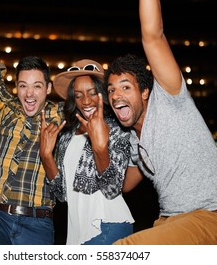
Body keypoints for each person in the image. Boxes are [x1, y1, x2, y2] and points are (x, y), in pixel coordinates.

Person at [105, 0, 217, 245]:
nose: (115, 95)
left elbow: (153, 35)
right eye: (111, 90)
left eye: (125, 87)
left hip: (213, 219)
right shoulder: (134, 140)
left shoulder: (170, 99)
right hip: (170, 221)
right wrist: (100, 147)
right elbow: (122, 186)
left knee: (123, 251)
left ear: (145, 92)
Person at [0, 0, 63, 245]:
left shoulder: (60, 114)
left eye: (36, 86)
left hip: (39, 221)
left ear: (47, 88)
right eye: (23, 86)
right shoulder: (5, 106)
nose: (29, 93)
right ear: (16, 87)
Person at [39, 59, 142, 245]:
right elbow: (62, 194)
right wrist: (46, 156)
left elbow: (112, 189)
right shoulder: (67, 136)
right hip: (78, 232)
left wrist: (100, 148)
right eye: (78, 95)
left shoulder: (118, 130)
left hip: (107, 225)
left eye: (92, 93)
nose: (85, 101)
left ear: (103, 94)